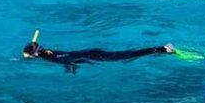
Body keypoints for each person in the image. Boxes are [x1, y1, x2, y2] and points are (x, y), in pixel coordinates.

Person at [22, 39, 176, 73]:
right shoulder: (46, 51)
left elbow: (66, 60)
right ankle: (160, 50)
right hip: (91, 51)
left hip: (94, 56)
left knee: (128, 56)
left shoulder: (46, 57)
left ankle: (162, 49)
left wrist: (70, 69)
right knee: (126, 55)